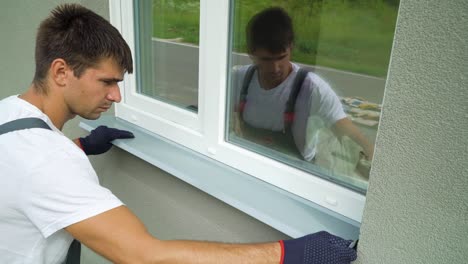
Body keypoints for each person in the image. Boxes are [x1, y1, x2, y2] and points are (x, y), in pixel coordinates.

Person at [0, 4, 357, 264]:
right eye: (107, 82)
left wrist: (81, 145)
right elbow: (144, 255)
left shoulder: (10, 112)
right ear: (61, 71)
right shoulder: (49, 163)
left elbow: (26, 174)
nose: (116, 96)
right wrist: (284, 254)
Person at [233, 7, 374, 163]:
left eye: (281, 57)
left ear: (291, 47)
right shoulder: (239, 79)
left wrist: (370, 153)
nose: (275, 68)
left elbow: (349, 133)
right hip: (250, 165)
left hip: (296, 175)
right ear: (250, 53)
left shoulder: (312, 89)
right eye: (266, 59)